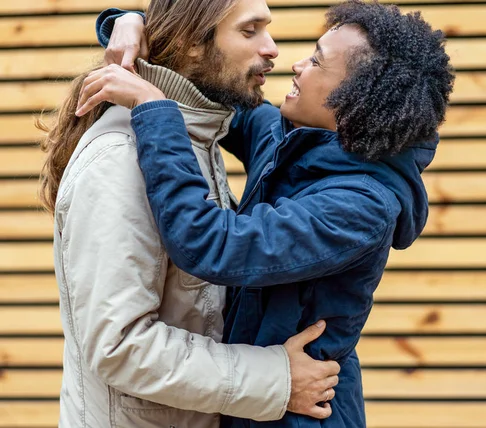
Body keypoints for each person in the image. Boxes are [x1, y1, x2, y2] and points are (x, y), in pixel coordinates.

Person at [79, 1, 454, 427]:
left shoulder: (359, 207)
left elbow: (211, 244)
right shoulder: (287, 138)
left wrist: (152, 109)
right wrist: (131, 24)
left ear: (354, 98)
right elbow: (214, 84)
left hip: (304, 412)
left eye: (316, 61)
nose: (295, 64)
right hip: (257, 402)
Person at [40, 0, 341, 427]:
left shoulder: (196, 135)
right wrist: (275, 380)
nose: (273, 48)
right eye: (250, 30)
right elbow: (119, 346)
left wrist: (133, 23)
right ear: (192, 45)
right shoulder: (122, 159)